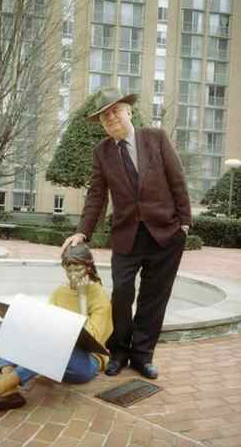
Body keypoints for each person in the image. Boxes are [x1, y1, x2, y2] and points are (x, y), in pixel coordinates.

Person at [62, 87, 192, 379]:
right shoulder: (102, 152)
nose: (111, 118)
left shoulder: (155, 139)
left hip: (165, 234)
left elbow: (177, 180)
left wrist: (184, 224)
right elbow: (97, 195)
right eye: (105, 116)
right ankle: (118, 351)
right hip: (126, 236)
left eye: (115, 111)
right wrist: (83, 232)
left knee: (154, 298)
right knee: (121, 294)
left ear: (128, 112)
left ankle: (143, 356)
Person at [0, 244, 112, 410]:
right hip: (54, 360)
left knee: (57, 344)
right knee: (11, 323)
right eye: (69, 269)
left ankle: (0, 387)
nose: (73, 275)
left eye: (78, 269)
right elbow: (47, 323)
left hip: (85, 363)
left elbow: (94, 338)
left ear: (88, 267)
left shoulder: (99, 295)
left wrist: (81, 298)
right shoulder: (60, 292)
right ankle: (10, 389)